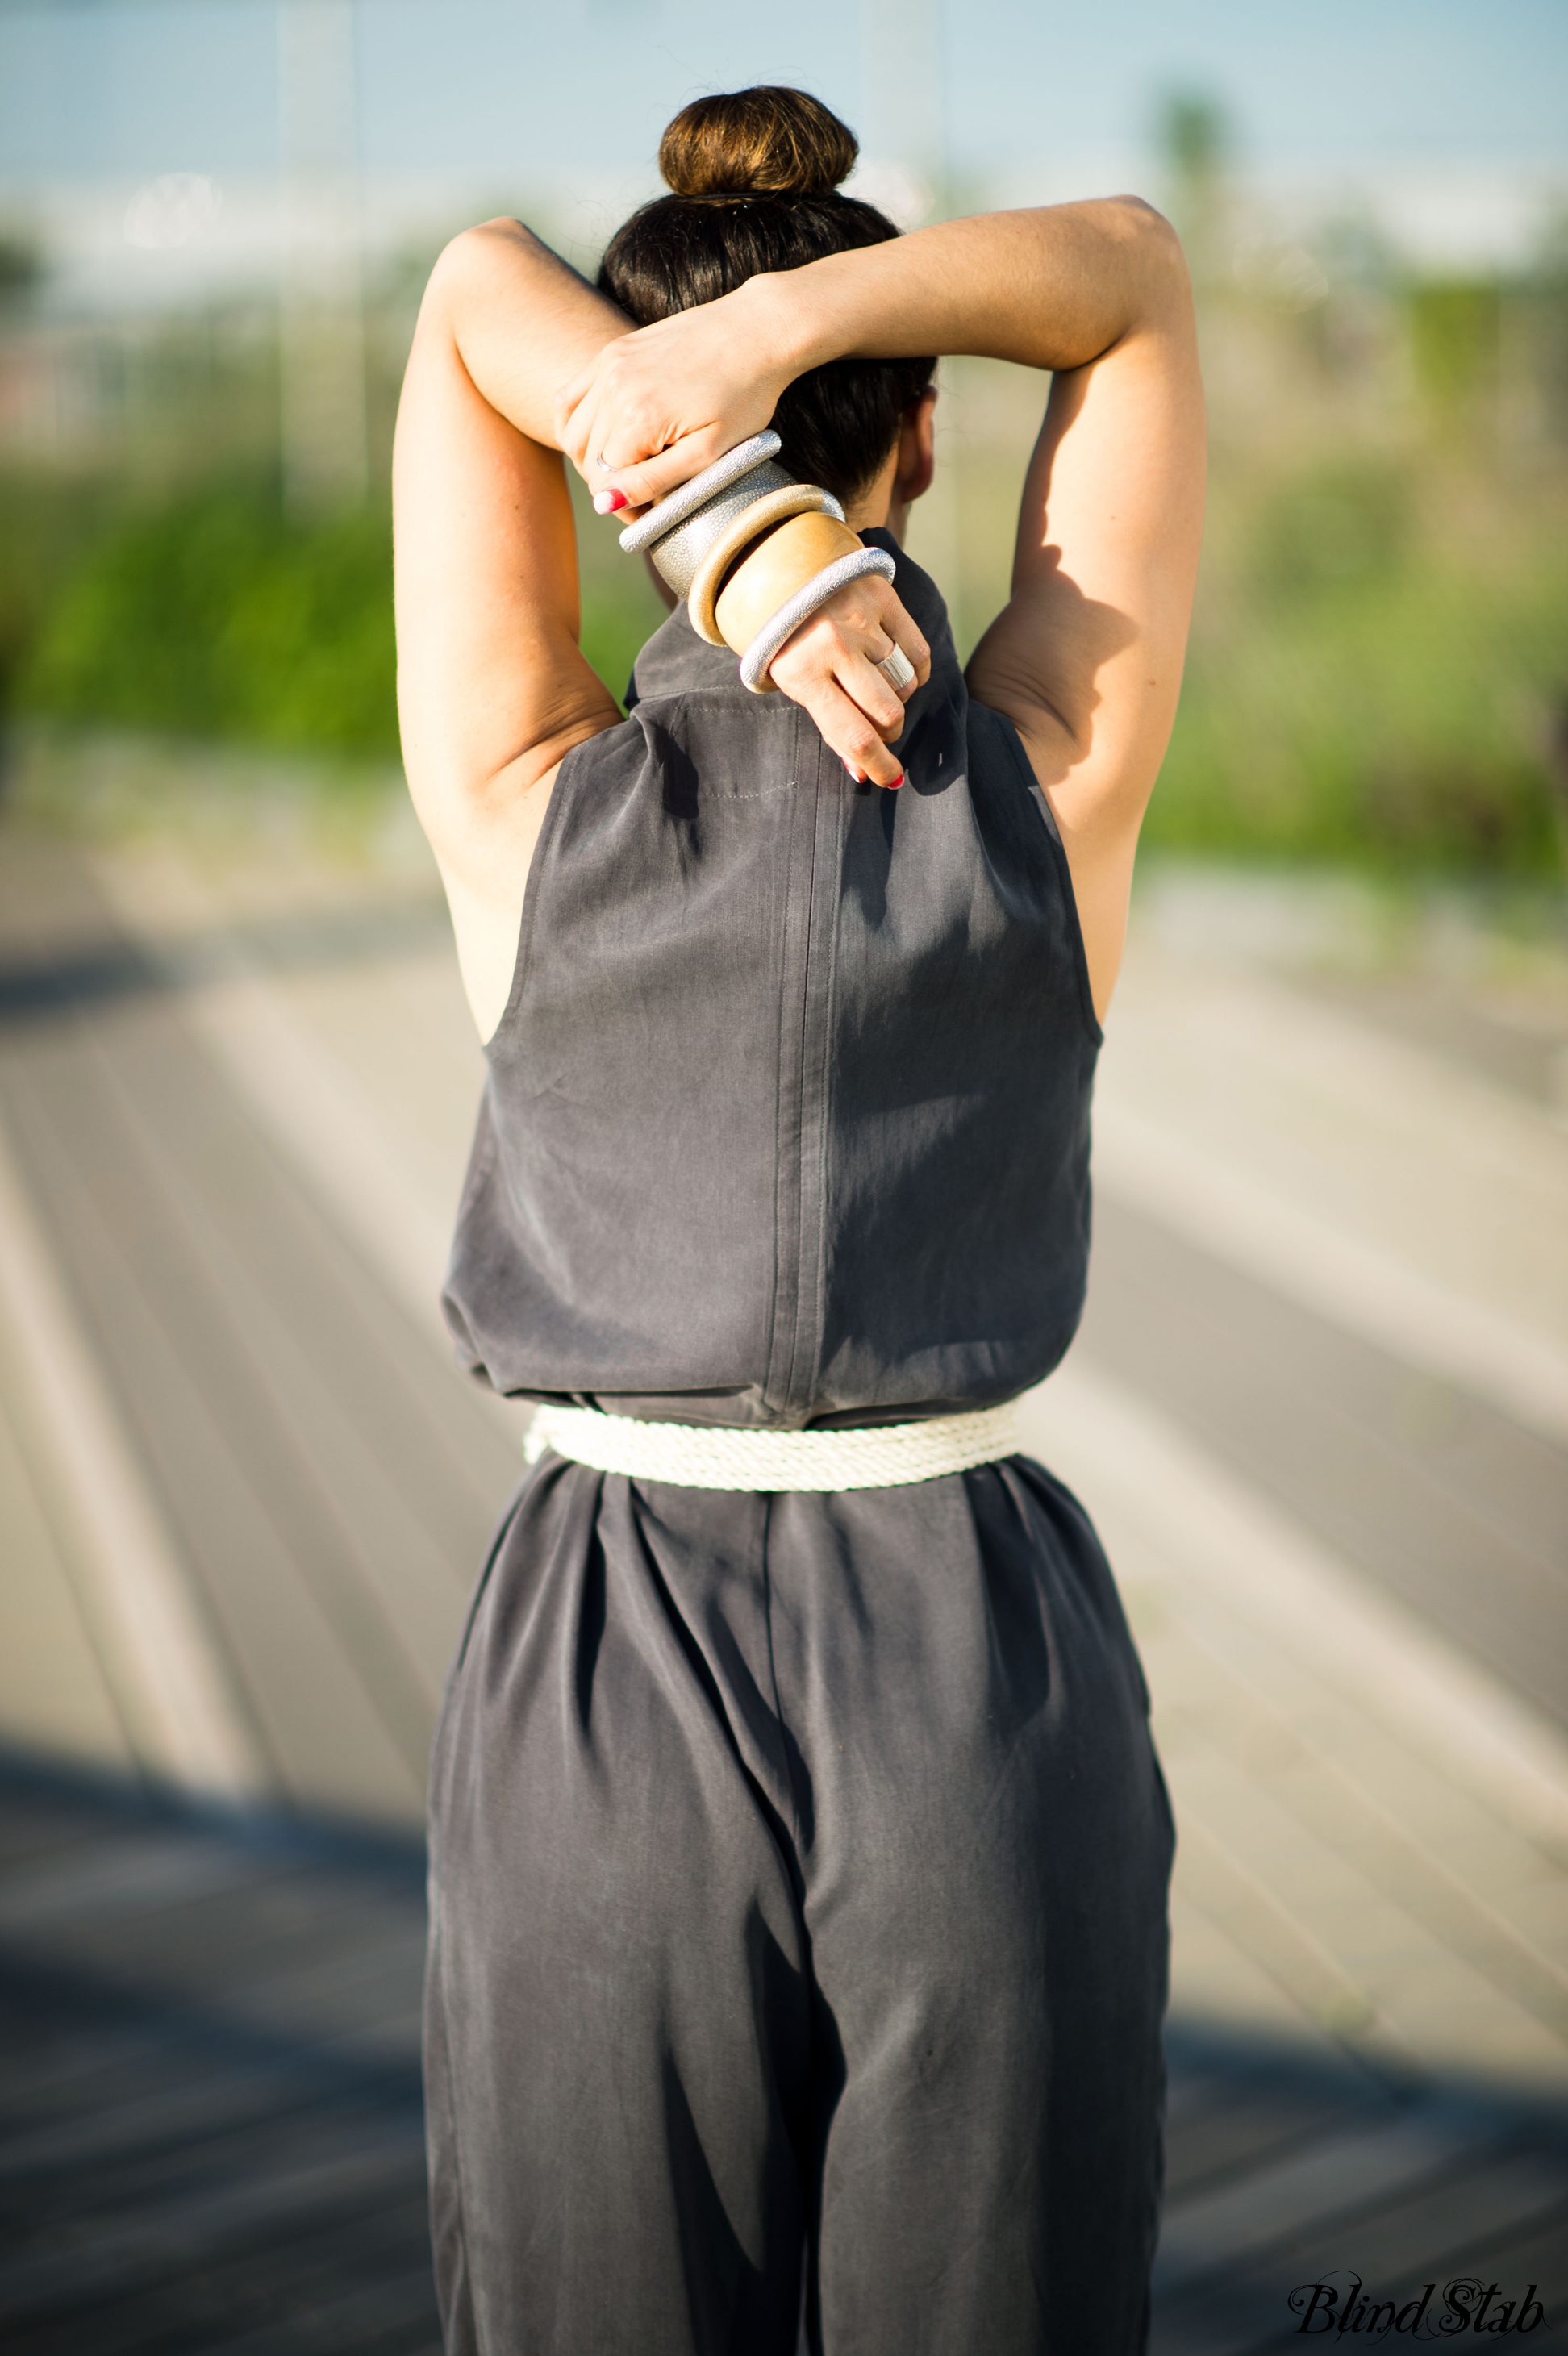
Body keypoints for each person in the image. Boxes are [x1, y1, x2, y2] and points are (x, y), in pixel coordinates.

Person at [394, 83, 1204, 2356]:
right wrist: (779, 443)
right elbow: (1133, 270)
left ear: (616, 441)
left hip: (605, 1649)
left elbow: (473, 289)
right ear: (926, 435)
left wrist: (705, 504)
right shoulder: (1046, 774)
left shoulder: (528, 795)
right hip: (976, 1648)